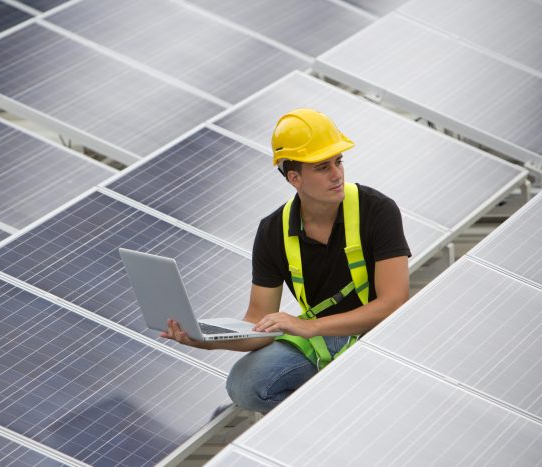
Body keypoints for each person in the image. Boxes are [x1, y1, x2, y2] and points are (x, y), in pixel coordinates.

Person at [162, 108, 411, 414]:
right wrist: (208, 342)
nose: (336, 174)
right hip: (324, 339)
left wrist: (311, 326)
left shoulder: (377, 210)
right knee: (245, 385)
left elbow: (394, 302)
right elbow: (258, 321)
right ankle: (319, 426)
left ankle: (346, 415)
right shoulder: (273, 231)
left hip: (385, 335)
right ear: (294, 177)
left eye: (338, 161)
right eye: (322, 167)